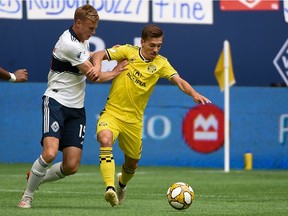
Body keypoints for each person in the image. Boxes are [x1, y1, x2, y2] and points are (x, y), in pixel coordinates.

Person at [17, 4, 128, 209]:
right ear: (78, 23)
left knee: (71, 166)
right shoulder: (69, 44)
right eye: (90, 28)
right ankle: (27, 195)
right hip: (56, 101)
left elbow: (94, 62)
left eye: (95, 28)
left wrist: (101, 59)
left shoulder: (81, 40)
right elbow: (94, 76)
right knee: (49, 153)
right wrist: (116, 70)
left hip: (77, 108)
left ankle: (35, 176)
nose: (93, 32)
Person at [93, 24, 211, 207]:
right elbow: (99, 53)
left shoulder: (161, 63)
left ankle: (121, 184)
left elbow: (179, 81)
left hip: (134, 121)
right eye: (152, 45)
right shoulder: (127, 51)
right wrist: (98, 67)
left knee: (132, 164)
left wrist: (194, 93)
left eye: (159, 46)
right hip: (112, 113)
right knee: (105, 138)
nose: (155, 49)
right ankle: (110, 189)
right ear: (142, 42)